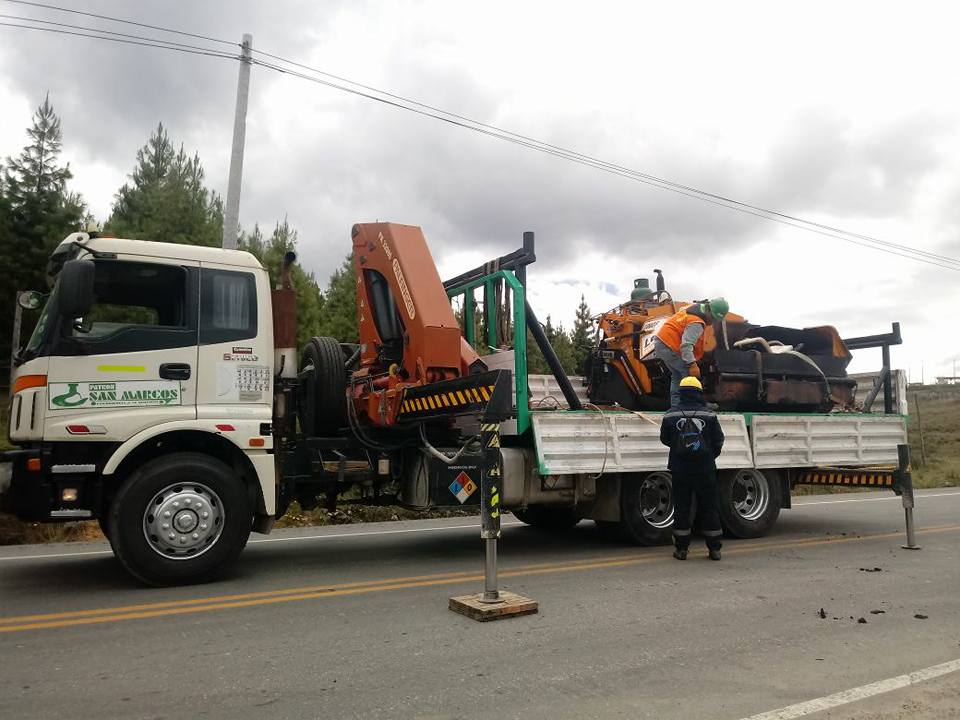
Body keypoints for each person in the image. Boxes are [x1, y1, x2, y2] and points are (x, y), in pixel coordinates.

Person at [659, 376, 725, 560]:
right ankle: (714, 549)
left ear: (681, 393)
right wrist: (709, 456)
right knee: (710, 508)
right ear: (698, 393)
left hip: (680, 469)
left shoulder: (671, 414)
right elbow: (719, 439)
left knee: (682, 508)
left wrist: (680, 448)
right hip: (705, 469)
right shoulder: (709, 415)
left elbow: (665, 439)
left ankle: (681, 549)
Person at [652, 298, 729, 408]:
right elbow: (686, 345)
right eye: (713, 317)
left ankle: (676, 405)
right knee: (689, 373)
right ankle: (695, 404)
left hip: (662, 343)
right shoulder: (696, 322)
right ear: (709, 310)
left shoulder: (692, 310)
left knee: (677, 376)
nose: (712, 321)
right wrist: (692, 364)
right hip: (668, 345)